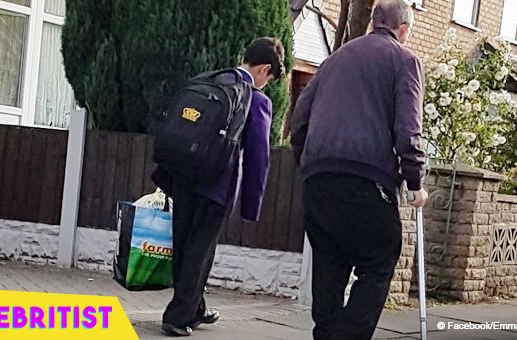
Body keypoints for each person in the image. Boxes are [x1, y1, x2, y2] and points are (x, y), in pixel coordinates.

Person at [290, 0, 429, 339]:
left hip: (320, 180)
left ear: (372, 22)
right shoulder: (405, 60)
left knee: (328, 265)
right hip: (367, 181)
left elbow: (299, 121)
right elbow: (408, 130)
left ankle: (326, 333)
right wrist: (415, 181)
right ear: (404, 29)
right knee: (378, 262)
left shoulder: (333, 60)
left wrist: (310, 166)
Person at [152, 37, 285, 337]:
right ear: (265, 69)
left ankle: (195, 307)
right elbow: (258, 158)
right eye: (270, 79)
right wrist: (251, 206)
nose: (267, 85)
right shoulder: (256, 100)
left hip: (184, 176)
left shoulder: (210, 80)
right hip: (217, 186)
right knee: (200, 249)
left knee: (184, 244)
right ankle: (178, 316)